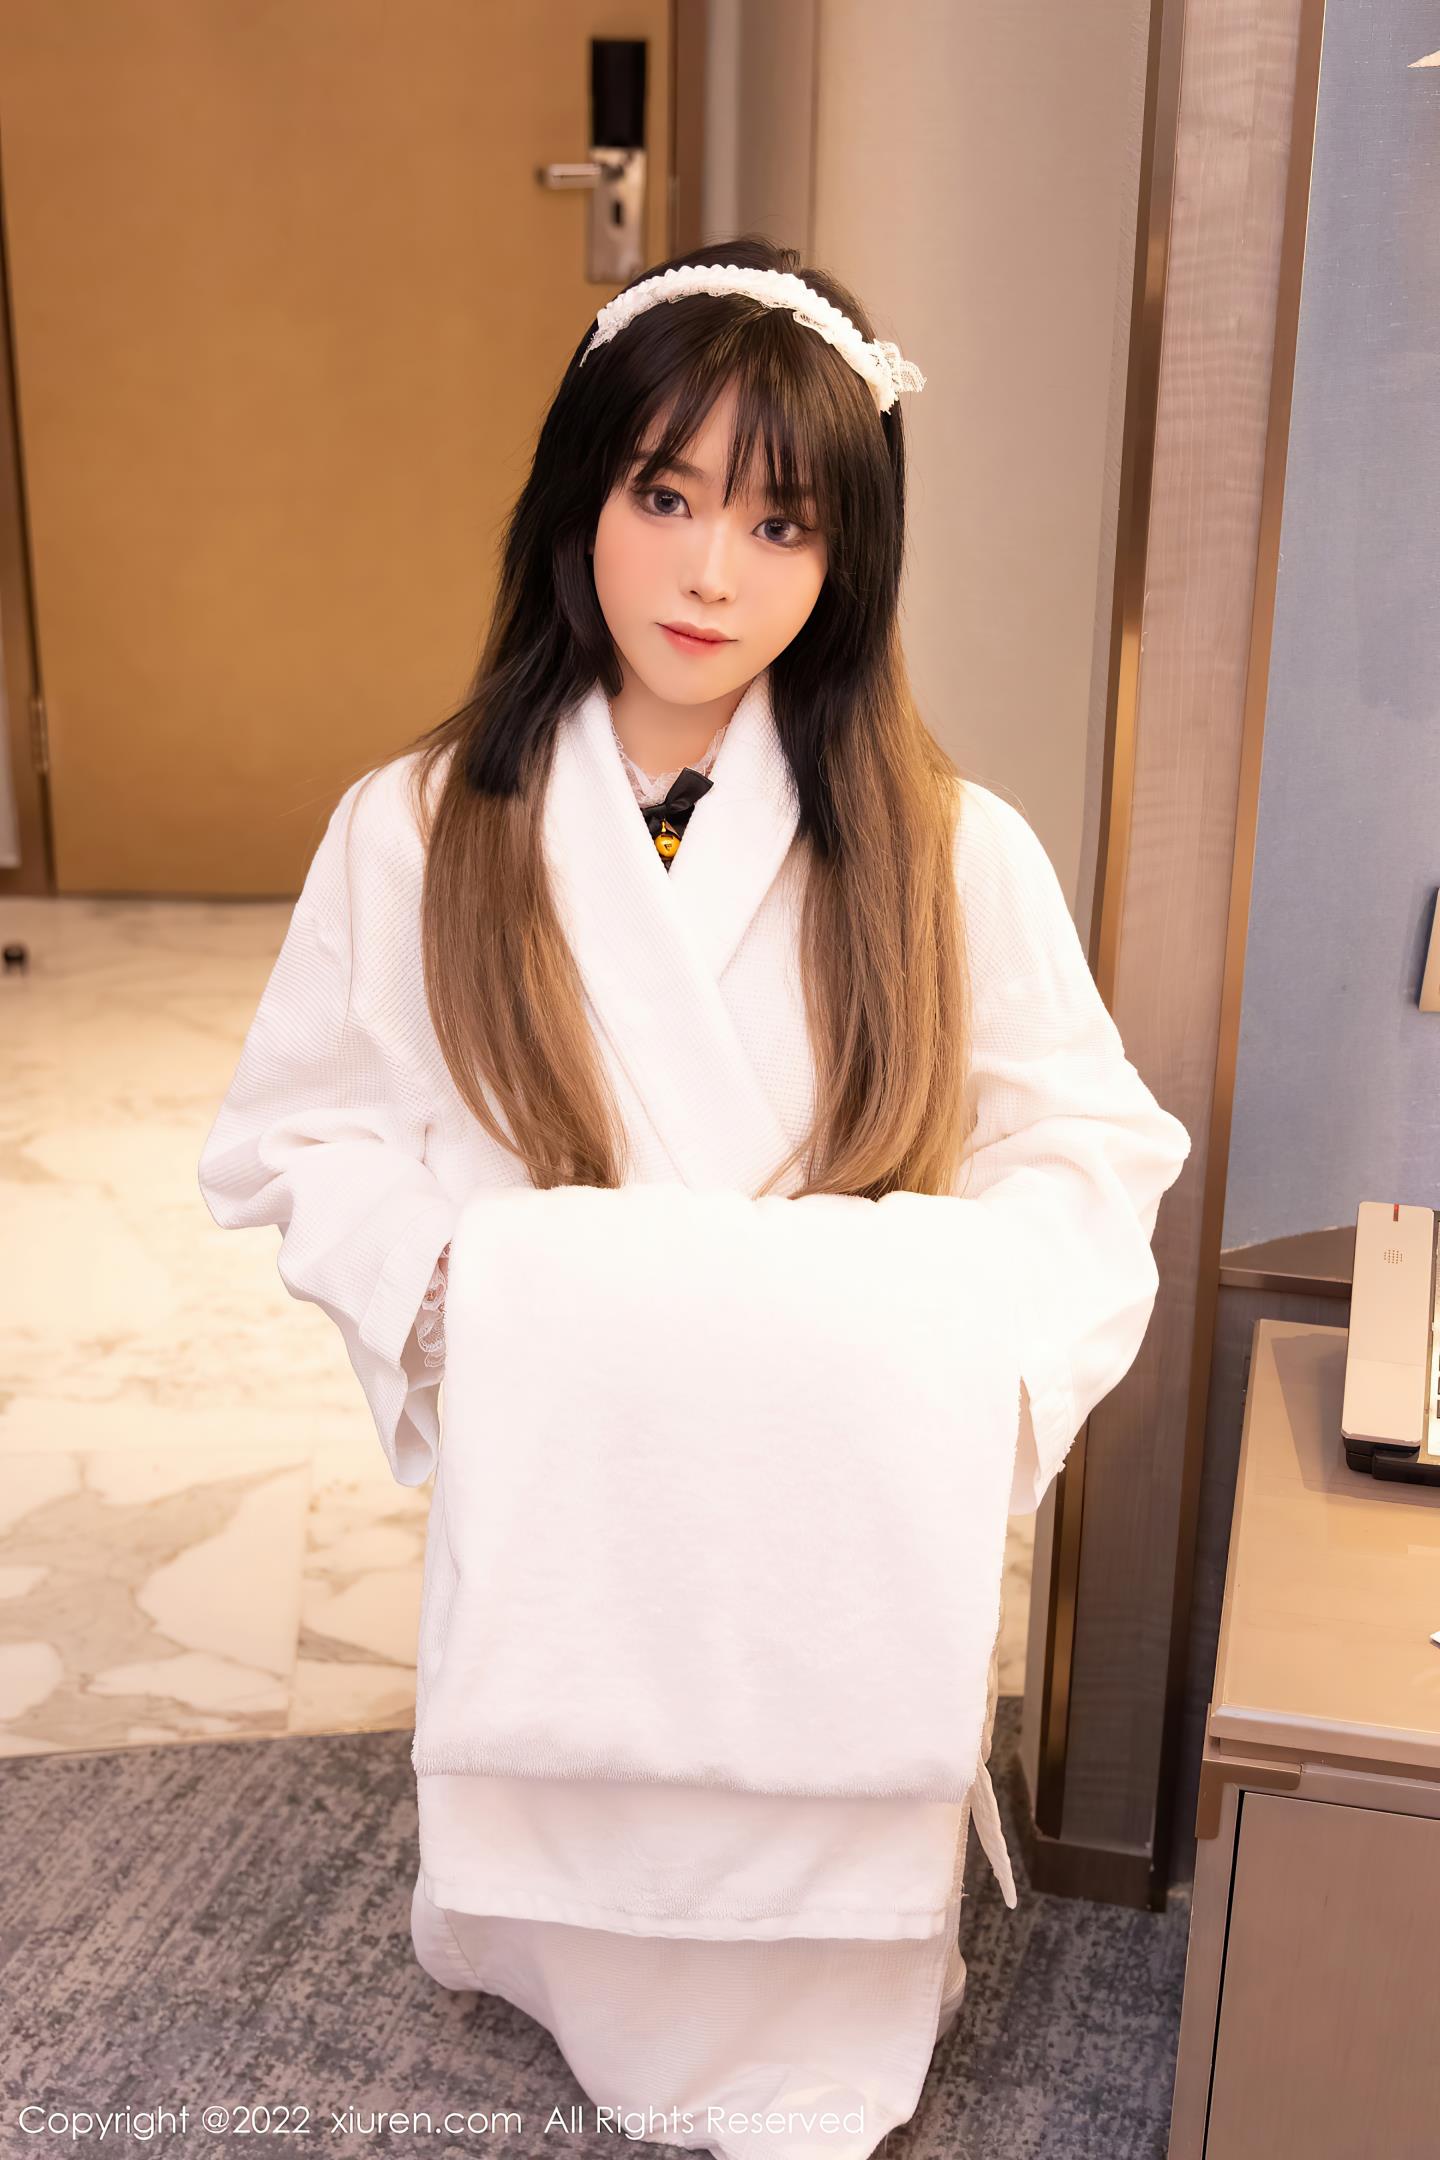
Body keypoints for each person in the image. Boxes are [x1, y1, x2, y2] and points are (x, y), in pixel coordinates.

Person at [197, 236, 1191, 2159]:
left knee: (819, 1969)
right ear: (580, 495)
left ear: (847, 560)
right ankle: (560, 1926)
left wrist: (950, 1332)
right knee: (568, 1877)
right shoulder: (418, 828)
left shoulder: (949, 849)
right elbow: (295, 1133)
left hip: (838, 1480)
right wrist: (473, 1288)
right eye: (665, 497)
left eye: (780, 523)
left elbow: (1088, 1148)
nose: (712, 574)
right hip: (572, 1452)